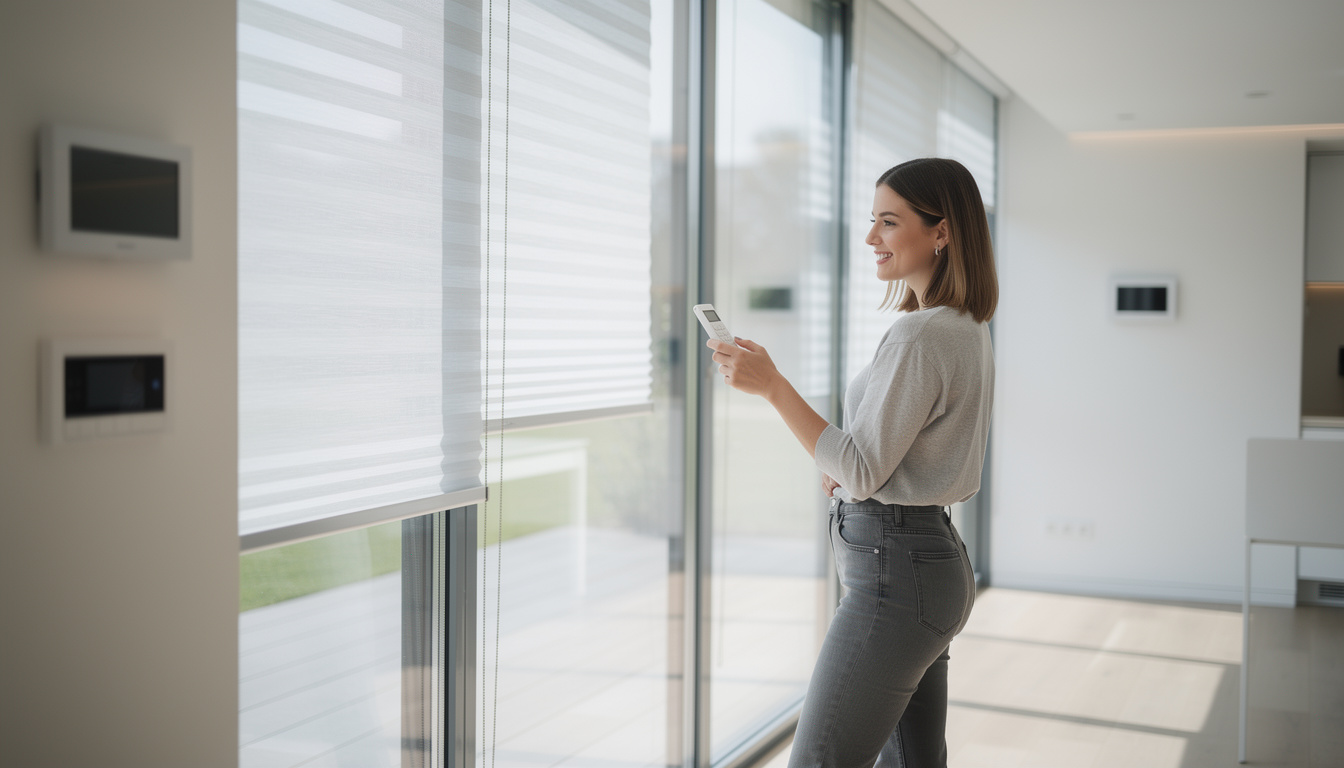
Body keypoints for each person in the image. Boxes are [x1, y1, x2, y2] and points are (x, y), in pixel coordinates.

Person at [706, 157, 997, 768]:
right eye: (873, 221)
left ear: (941, 232)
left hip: (896, 576)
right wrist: (847, 465)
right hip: (924, 563)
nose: (871, 238)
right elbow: (890, 454)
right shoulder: (962, 326)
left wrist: (772, 385)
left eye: (888, 222)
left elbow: (864, 468)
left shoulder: (920, 336)